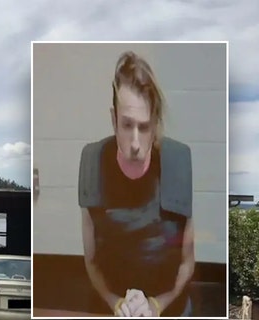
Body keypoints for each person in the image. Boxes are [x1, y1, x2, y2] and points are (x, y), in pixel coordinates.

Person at [78, 51, 195, 317]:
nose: (134, 143)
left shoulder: (176, 165)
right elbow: (92, 262)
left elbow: (187, 263)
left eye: (143, 127)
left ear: (154, 125)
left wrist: (156, 305)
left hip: (168, 305)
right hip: (111, 305)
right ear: (113, 120)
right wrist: (116, 303)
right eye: (126, 124)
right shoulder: (93, 165)